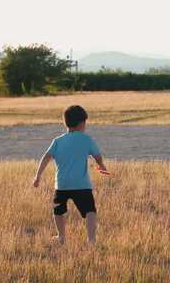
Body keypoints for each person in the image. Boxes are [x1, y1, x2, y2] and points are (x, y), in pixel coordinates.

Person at [32, 105, 106, 245]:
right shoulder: (86, 139)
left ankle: (61, 236)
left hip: (62, 185)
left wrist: (38, 176)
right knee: (90, 211)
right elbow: (97, 156)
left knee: (58, 211)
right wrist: (101, 166)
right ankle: (91, 240)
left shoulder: (58, 141)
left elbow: (46, 157)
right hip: (81, 185)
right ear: (82, 123)